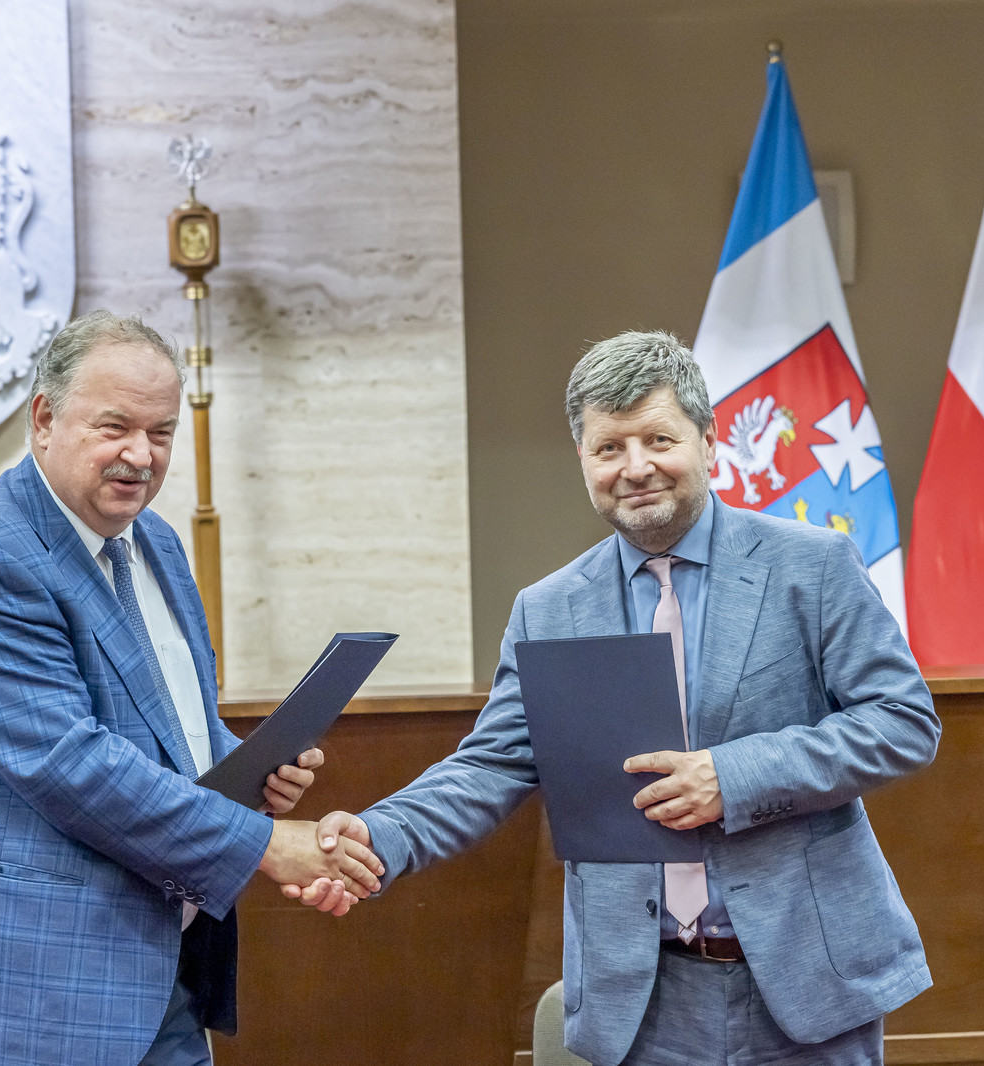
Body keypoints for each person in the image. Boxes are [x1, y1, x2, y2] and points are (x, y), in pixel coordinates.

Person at [290, 330, 939, 1065]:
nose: (635, 468)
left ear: (709, 440)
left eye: (658, 439)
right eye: (609, 448)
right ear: (583, 460)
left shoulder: (810, 567)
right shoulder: (550, 609)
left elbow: (902, 721)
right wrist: (377, 837)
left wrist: (733, 777)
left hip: (806, 986)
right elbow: (492, 766)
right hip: (641, 1002)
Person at [0, 310, 382, 1066]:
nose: (141, 455)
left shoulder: (155, 541)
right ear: (44, 419)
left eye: (161, 432)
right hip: (25, 988)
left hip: (156, 966)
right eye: (115, 427)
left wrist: (245, 768)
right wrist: (267, 845)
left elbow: (168, 715)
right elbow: (70, 766)